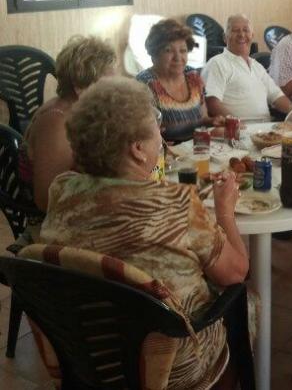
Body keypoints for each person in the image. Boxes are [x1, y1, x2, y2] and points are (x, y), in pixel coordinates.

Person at [39, 77, 251, 389]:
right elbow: (236, 273)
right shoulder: (177, 203)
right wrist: (225, 212)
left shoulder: (62, 190)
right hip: (169, 367)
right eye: (156, 128)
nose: (161, 135)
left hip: (86, 355)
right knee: (249, 304)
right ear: (138, 149)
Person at [19, 35, 116, 213]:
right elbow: (46, 200)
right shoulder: (57, 124)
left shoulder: (80, 110)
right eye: (107, 84)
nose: (113, 91)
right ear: (80, 87)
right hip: (52, 220)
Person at [137, 18, 222, 142]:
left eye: (183, 50)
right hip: (165, 151)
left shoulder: (193, 75)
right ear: (154, 54)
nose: (178, 57)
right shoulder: (144, 84)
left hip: (198, 147)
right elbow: (149, 134)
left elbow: (203, 119)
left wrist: (213, 121)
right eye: (168, 50)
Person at [203, 14, 292, 120]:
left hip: (266, 127)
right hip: (239, 128)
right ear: (225, 37)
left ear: (252, 35)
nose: (241, 34)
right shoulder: (217, 63)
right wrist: (236, 123)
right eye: (235, 30)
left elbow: (276, 96)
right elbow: (212, 102)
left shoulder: (257, 66)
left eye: (246, 30)